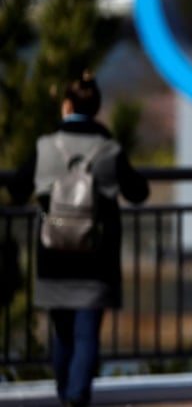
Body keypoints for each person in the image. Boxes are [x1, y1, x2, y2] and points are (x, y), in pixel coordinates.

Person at [7, 72, 150, 407]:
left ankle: (64, 394)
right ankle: (76, 398)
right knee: (87, 335)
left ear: (66, 105)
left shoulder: (45, 146)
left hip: (53, 252)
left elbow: (16, 189)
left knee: (63, 334)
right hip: (96, 257)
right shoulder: (109, 149)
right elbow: (138, 192)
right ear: (97, 107)